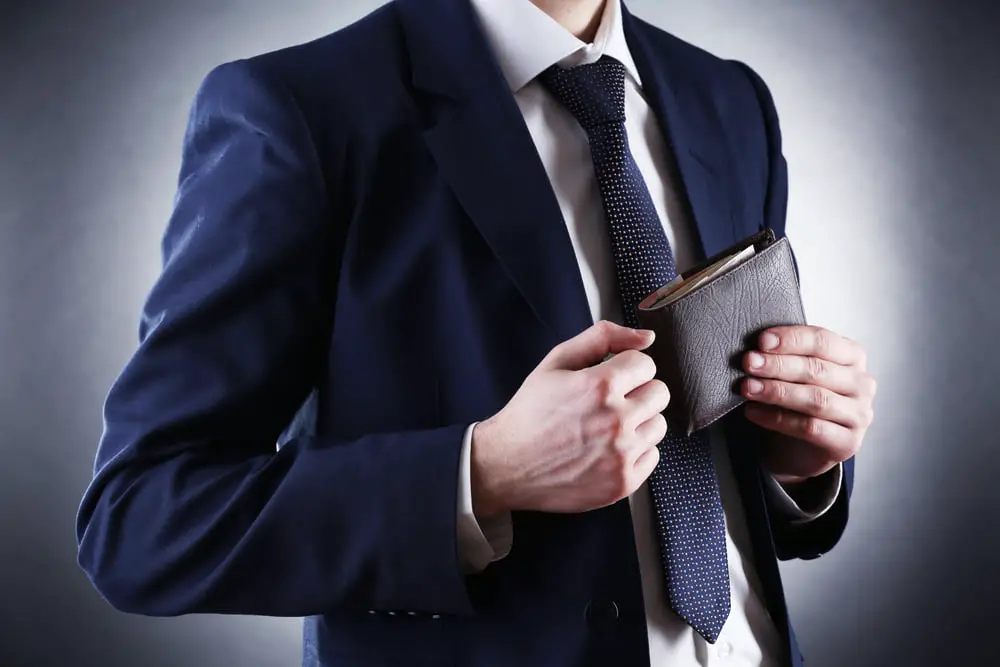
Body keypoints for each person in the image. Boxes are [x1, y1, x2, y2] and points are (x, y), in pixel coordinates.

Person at [76, 0, 876, 665]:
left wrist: (796, 466)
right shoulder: (302, 111)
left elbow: (721, 484)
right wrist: (478, 474)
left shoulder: (730, 99)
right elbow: (140, 519)